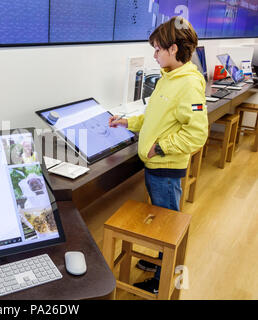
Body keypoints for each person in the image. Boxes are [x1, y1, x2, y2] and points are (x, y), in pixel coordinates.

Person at [109, 16, 208, 294]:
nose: (154, 55)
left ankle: (161, 283)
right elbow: (156, 118)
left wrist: (161, 147)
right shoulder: (169, 77)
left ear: (173, 49)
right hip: (156, 167)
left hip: (166, 169)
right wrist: (128, 122)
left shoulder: (189, 84)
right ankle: (160, 261)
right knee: (162, 218)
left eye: (157, 49)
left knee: (167, 224)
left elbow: (197, 134)